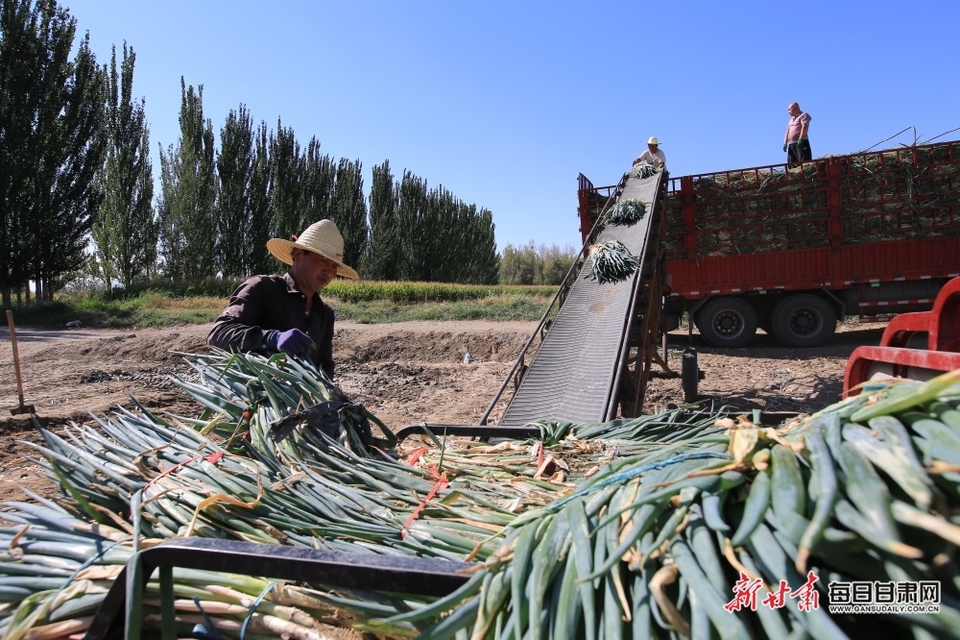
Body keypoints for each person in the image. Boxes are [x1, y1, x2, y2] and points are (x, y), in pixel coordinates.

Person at [207, 219, 358, 380]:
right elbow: (218, 334)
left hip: (302, 403)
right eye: (323, 261)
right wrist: (273, 338)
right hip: (256, 397)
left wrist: (325, 392)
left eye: (334, 266)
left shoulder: (325, 315)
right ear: (298, 255)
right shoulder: (263, 289)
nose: (328, 271)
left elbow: (325, 364)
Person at [783, 102, 812, 167]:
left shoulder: (803, 115)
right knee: (792, 164)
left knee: (804, 163)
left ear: (796, 108)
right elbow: (787, 131)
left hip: (801, 143)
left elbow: (804, 126)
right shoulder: (790, 120)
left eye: (790, 109)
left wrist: (800, 139)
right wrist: (785, 143)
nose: (788, 112)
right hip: (791, 145)